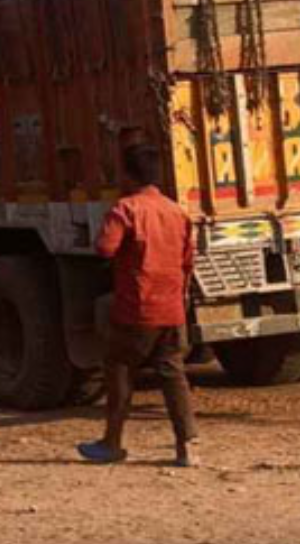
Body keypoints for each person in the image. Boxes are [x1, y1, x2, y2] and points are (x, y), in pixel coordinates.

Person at [78, 143, 200, 467]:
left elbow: (105, 248)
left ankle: (111, 443)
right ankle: (187, 446)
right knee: (174, 375)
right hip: (172, 309)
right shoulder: (177, 212)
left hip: (137, 308)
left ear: (128, 175)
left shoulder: (126, 209)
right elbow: (189, 261)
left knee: (118, 370)